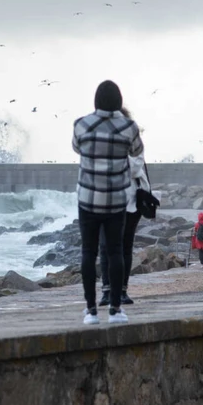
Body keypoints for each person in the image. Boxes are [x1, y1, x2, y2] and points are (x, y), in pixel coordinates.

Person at [72, 80, 144, 325]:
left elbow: (76, 148)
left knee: (89, 252)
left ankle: (91, 311)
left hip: (88, 200)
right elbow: (136, 152)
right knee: (115, 252)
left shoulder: (81, 125)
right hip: (115, 201)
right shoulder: (129, 127)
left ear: (96, 100)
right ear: (119, 102)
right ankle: (115, 310)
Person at [99, 106, 149, 307]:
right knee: (105, 247)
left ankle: (122, 291)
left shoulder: (133, 138)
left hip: (131, 200)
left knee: (125, 246)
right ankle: (106, 291)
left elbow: (136, 167)